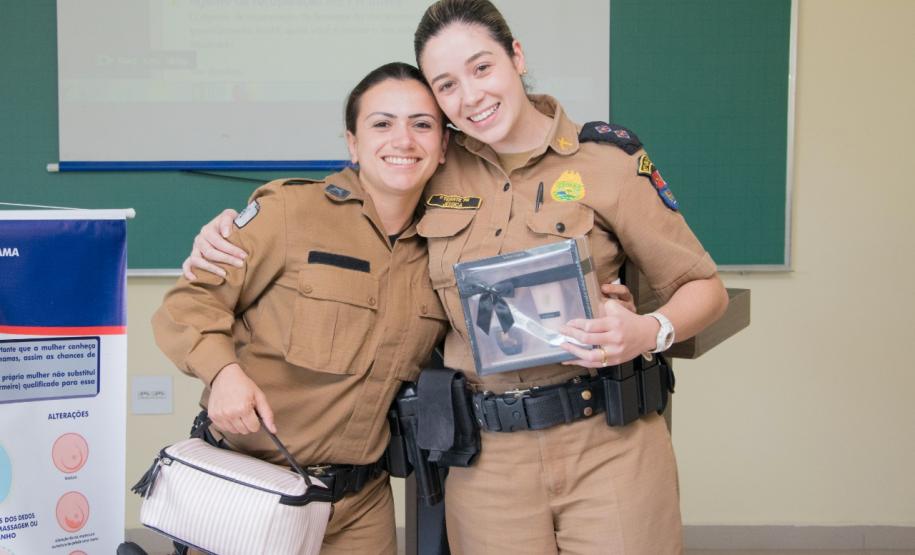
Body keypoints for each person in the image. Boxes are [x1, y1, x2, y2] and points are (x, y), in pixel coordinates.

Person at [185, 1, 729, 553]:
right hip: (489, 456)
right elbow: (350, 205)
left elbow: (704, 288)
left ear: (516, 56)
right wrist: (235, 229)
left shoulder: (607, 161)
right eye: (446, 85)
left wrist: (648, 329)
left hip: (607, 441)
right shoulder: (431, 164)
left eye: (481, 68)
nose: (470, 97)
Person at [151, 62, 451, 555]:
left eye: (422, 124)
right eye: (382, 123)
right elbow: (189, 302)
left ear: (443, 147)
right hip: (252, 489)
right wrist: (222, 372)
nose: (403, 139)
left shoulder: (450, 245)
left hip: (360, 507)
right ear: (352, 142)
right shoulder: (290, 212)